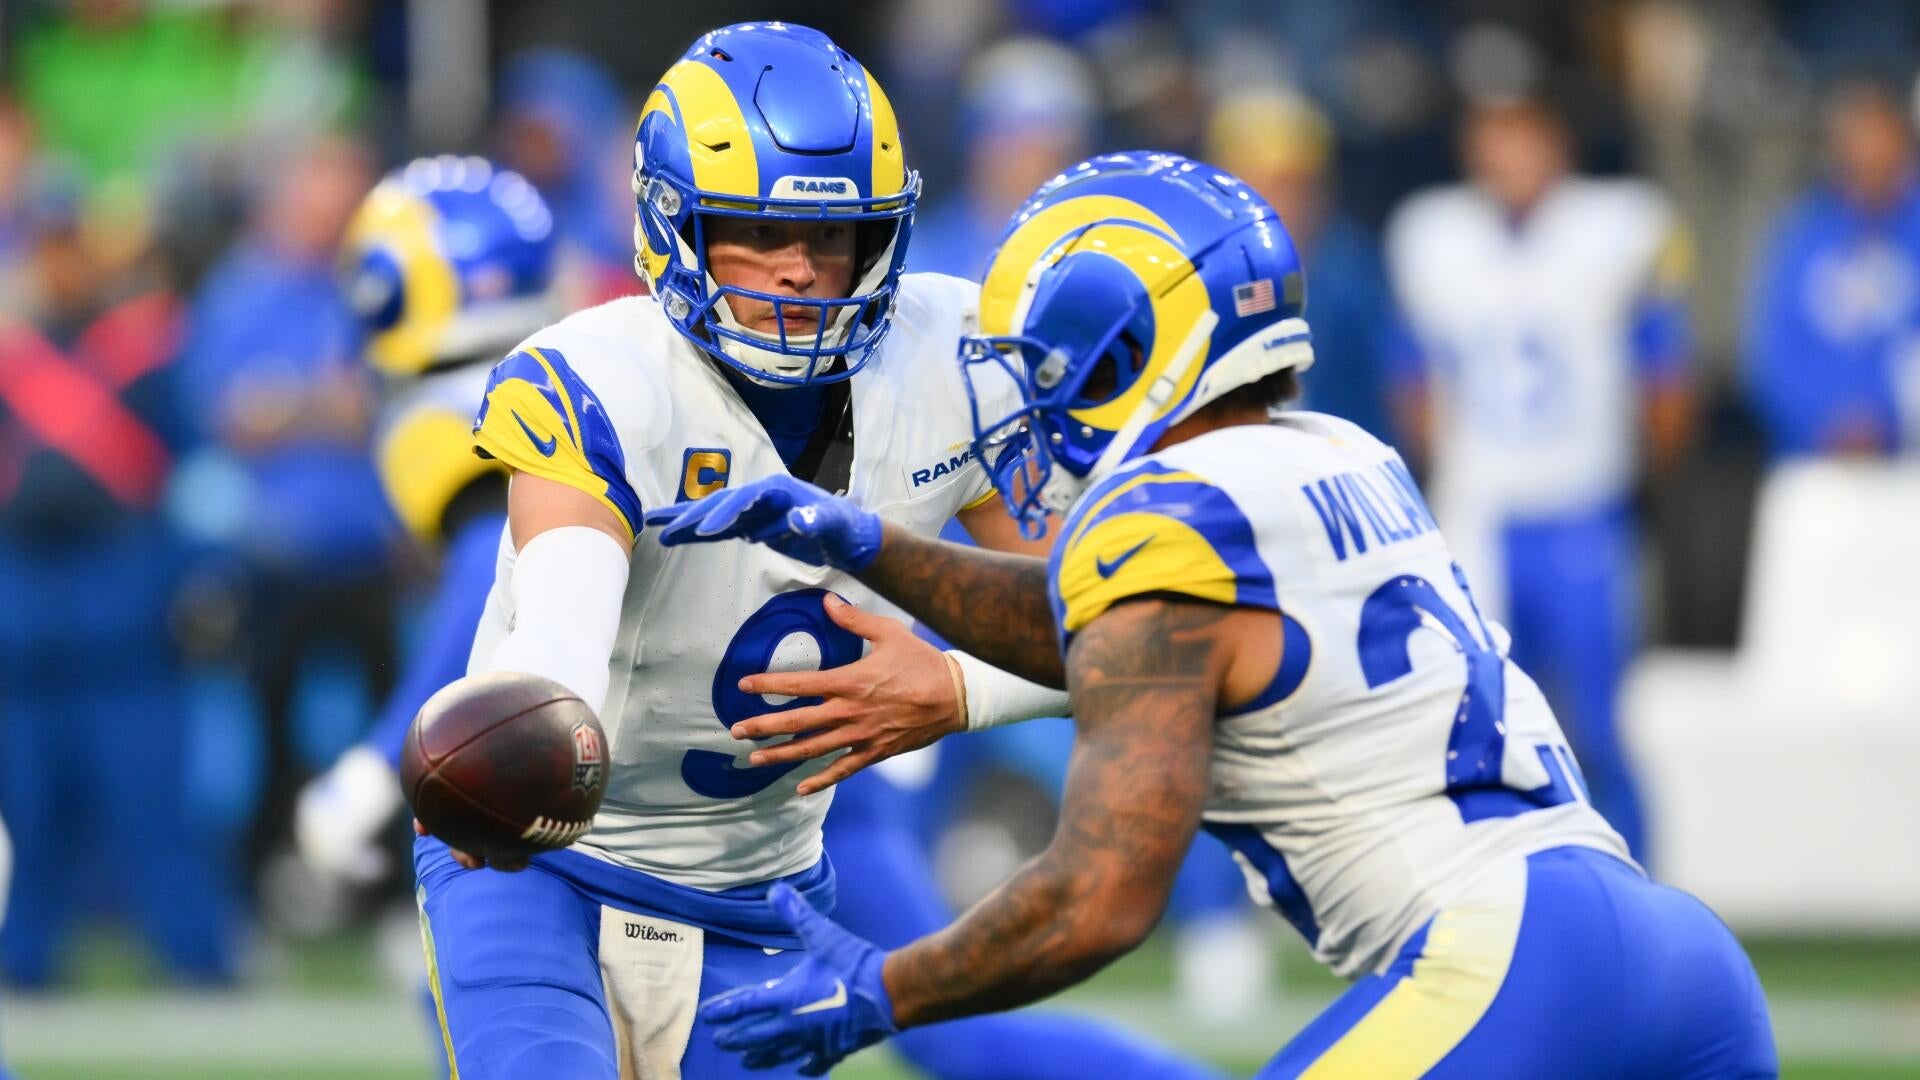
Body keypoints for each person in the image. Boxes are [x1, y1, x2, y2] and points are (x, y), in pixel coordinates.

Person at [647, 151, 1778, 1078]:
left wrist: (882, 988)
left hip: (1512, 966)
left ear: (1130, 345)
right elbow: (1114, 633)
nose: (1032, 393)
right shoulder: (1341, 452)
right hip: (1676, 954)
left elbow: (1099, 895)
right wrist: (874, 545)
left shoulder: (1162, 515)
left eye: (1046, 359)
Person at [411, 24, 1220, 1080]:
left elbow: (1128, 632)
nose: (799, 269)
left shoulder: (956, 360)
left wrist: (958, 690)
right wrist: (521, 745)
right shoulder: (596, 379)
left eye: (832, 235)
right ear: (674, 224)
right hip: (550, 868)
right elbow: (562, 630)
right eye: (758, 232)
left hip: (764, 893)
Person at [1383, 95, 1695, 859]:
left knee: (1599, 722)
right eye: (1495, 139)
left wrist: (1642, 476)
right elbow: (1413, 378)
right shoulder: (1434, 235)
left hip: (1583, 509)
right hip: (1481, 514)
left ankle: (1634, 881)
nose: (1509, 157)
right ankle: (1507, 886)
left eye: (1523, 137)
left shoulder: (1619, 226)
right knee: (1478, 724)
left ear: (1558, 144)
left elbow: (1666, 374)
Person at [1745, 76, 1920, 458]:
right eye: (1857, 156)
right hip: (1814, 457)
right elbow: (1770, 356)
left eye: (1881, 156)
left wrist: (1887, 421)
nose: (1869, 168)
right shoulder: (1800, 233)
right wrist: (1822, 421)